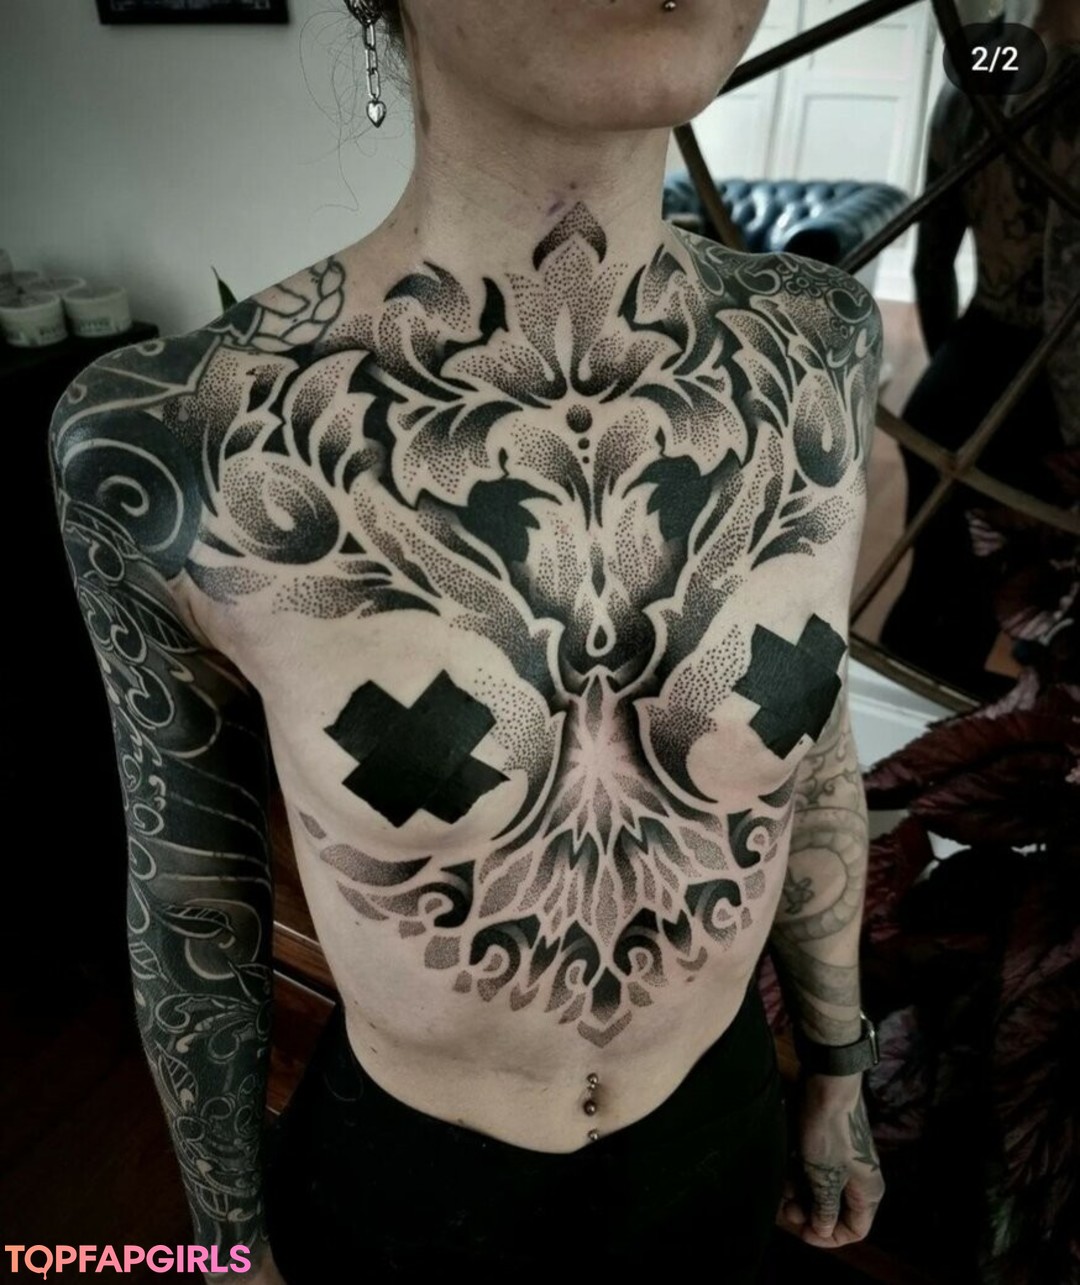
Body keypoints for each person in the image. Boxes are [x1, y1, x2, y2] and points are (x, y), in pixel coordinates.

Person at [47, 1, 887, 1280]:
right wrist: (223, 1243)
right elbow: (193, 890)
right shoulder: (170, 439)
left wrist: (838, 1067)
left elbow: (812, 759)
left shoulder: (825, 349)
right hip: (405, 1194)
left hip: (720, 1134)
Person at [880, 0, 1080, 693]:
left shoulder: (980, 72)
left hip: (961, 376)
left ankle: (892, 730)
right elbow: (1065, 295)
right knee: (1023, 617)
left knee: (936, 588)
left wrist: (951, 365)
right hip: (1048, 401)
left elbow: (929, 263)